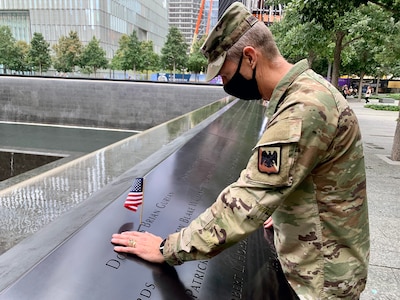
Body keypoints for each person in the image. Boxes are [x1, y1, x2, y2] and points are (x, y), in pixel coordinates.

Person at [111, 3, 370, 299]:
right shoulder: (305, 91)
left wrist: (166, 248)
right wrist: (289, 209)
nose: (224, 84)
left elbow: (246, 201)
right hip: (313, 262)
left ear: (249, 57)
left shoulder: (303, 110)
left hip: (319, 283)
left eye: (224, 74)